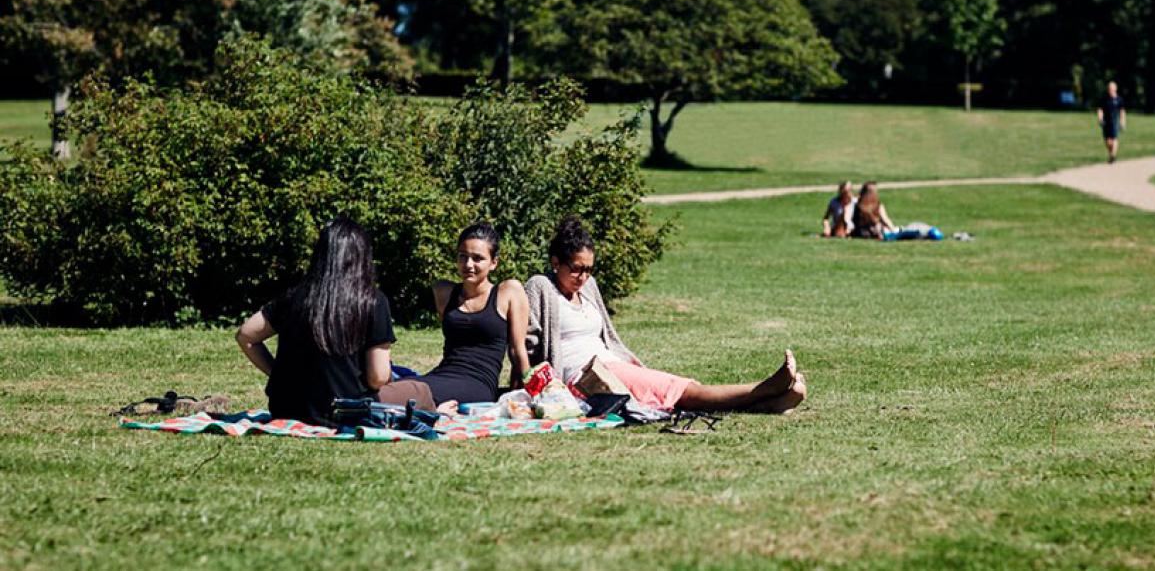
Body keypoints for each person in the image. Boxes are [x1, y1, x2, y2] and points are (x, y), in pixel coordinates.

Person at [524, 216, 805, 413]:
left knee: (679, 392)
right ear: (555, 262)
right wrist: (533, 388)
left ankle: (770, 403)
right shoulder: (541, 287)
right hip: (584, 377)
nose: (583, 276)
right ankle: (764, 388)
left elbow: (608, 336)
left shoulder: (589, 288)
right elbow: (526, 343)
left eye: (588, 269)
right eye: (575, 268)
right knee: (683, 392)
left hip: (611, 366)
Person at [235, 218, 396, 427]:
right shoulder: (372, 301)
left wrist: (278, 373)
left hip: (287, 410)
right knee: (418, 392)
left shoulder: (295, 297)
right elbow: (378, 377)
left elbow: (246, 335)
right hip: (347, 414)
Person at [377, 223, 529, 412]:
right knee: (389, 386)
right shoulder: (444, 292)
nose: (468, 265)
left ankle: (425, 409)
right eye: (463, 256)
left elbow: (518, 351)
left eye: (477, 258)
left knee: (399, 394)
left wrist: (528, 396)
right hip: (441, 375)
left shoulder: (508, 291)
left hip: (477, 383)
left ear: (494, 262)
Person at [1096, 81, 1127, 164]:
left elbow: (1122, 111)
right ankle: (1111, 155)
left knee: (1114, 139)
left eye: (1112, 89)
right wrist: (1100, 118)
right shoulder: (1104, 99)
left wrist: (1122, 122)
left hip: (1115, 121)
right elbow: (1100, 109)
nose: (1111, 90)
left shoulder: (1119, 99)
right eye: (1109, 89)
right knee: (1108, 141)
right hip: (1106, 122)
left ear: (1115, 89)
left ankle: (1113, 155)